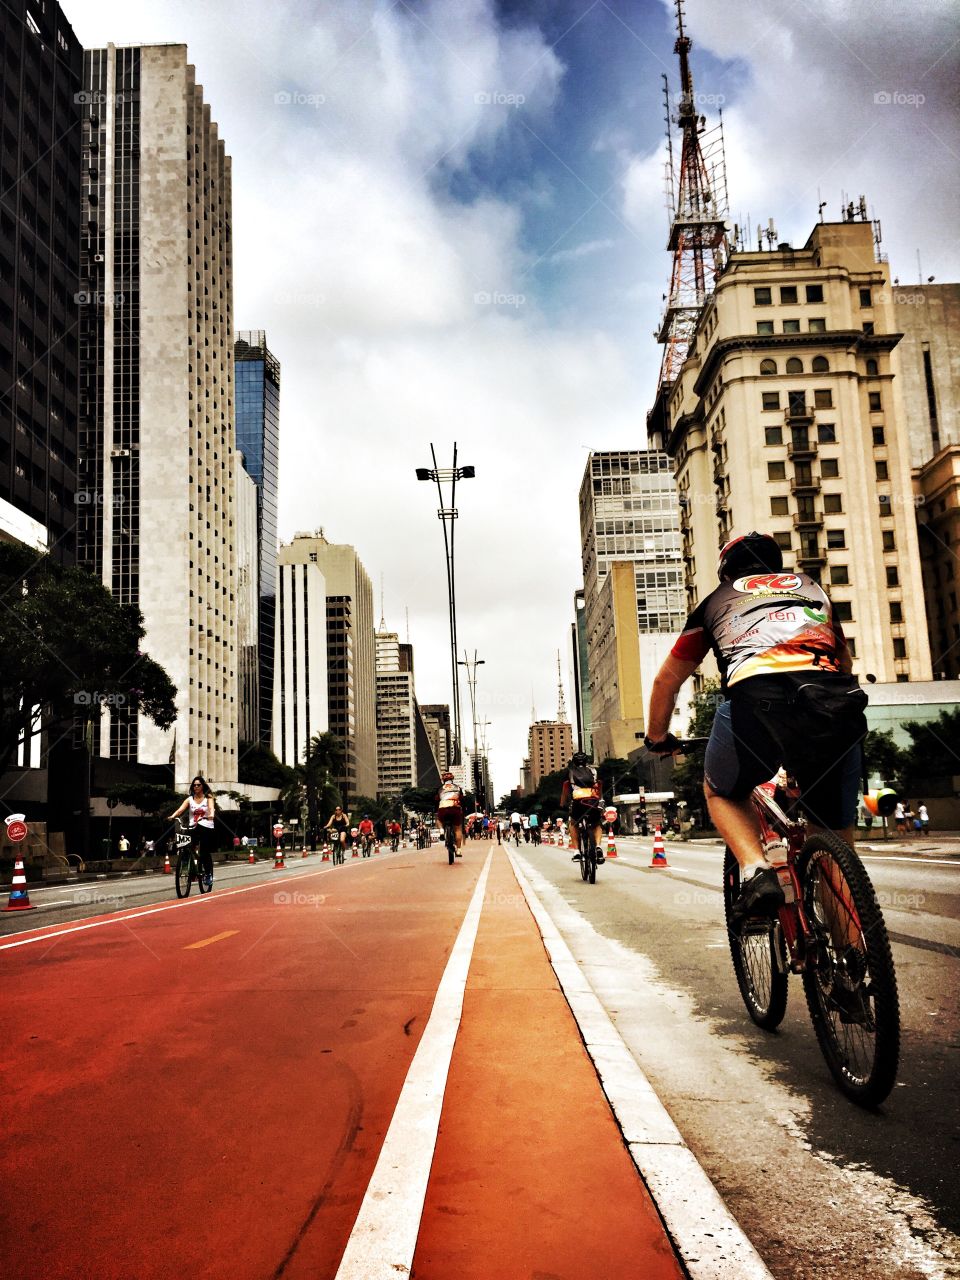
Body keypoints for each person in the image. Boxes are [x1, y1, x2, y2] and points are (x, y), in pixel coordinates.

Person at [644, 532, 867, 923]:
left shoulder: (717, 600)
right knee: (835, 841)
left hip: (756, 706)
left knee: (721, 792)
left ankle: (754, 868)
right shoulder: (814, 589)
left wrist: (657, 737)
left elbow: (667, 681)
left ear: (725, 572)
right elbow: (844, 659)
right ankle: (856, 967)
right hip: (835, 705)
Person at [168, 775, 216, 889]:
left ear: (203, 786)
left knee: (204, 852)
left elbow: (210, 809)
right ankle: (189, 868)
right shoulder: (190, 799)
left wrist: (211, 815)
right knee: (186, 846)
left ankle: (208, 874)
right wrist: (173, 816)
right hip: (193, 827)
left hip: (206, 826)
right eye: (194, 785)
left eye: (198, 785)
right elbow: (180, 810)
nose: (196, 787)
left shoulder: (208, 798)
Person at [560, 752, 604, 864]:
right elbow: (599, 786)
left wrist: (563, 803)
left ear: (573, 761)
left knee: (573, 823)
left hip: (577, 802)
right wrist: (600, 800)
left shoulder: (569, 772)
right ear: (586, 761)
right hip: (592, 801)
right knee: (597, 823)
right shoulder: (594, 771)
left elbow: (565, 788)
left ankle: (576, 851)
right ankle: (598, 846)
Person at [436, 771, 465, 857]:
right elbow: (462, 799)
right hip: (455, 809)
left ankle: (441, 831)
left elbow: (436, 800)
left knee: (439, 820)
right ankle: (459, 850)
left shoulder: (439, 789)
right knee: (458, 829)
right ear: (452, 778)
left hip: (443, 809)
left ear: (443, 779)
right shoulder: (458, 787)